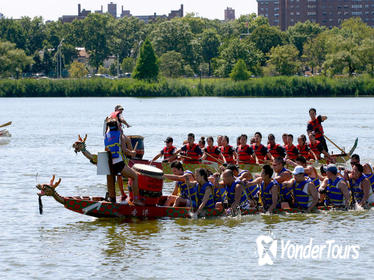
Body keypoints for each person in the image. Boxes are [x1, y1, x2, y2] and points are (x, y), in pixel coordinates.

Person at [104, 119, 142, 205]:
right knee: (135, 176)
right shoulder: (120, 136)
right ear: (117, 126)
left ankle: (112, 200)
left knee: (111, 182)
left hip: (109, 164)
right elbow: (125, 151)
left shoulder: (106, 136)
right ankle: (136, 200)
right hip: (118, 163)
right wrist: (132, 153)